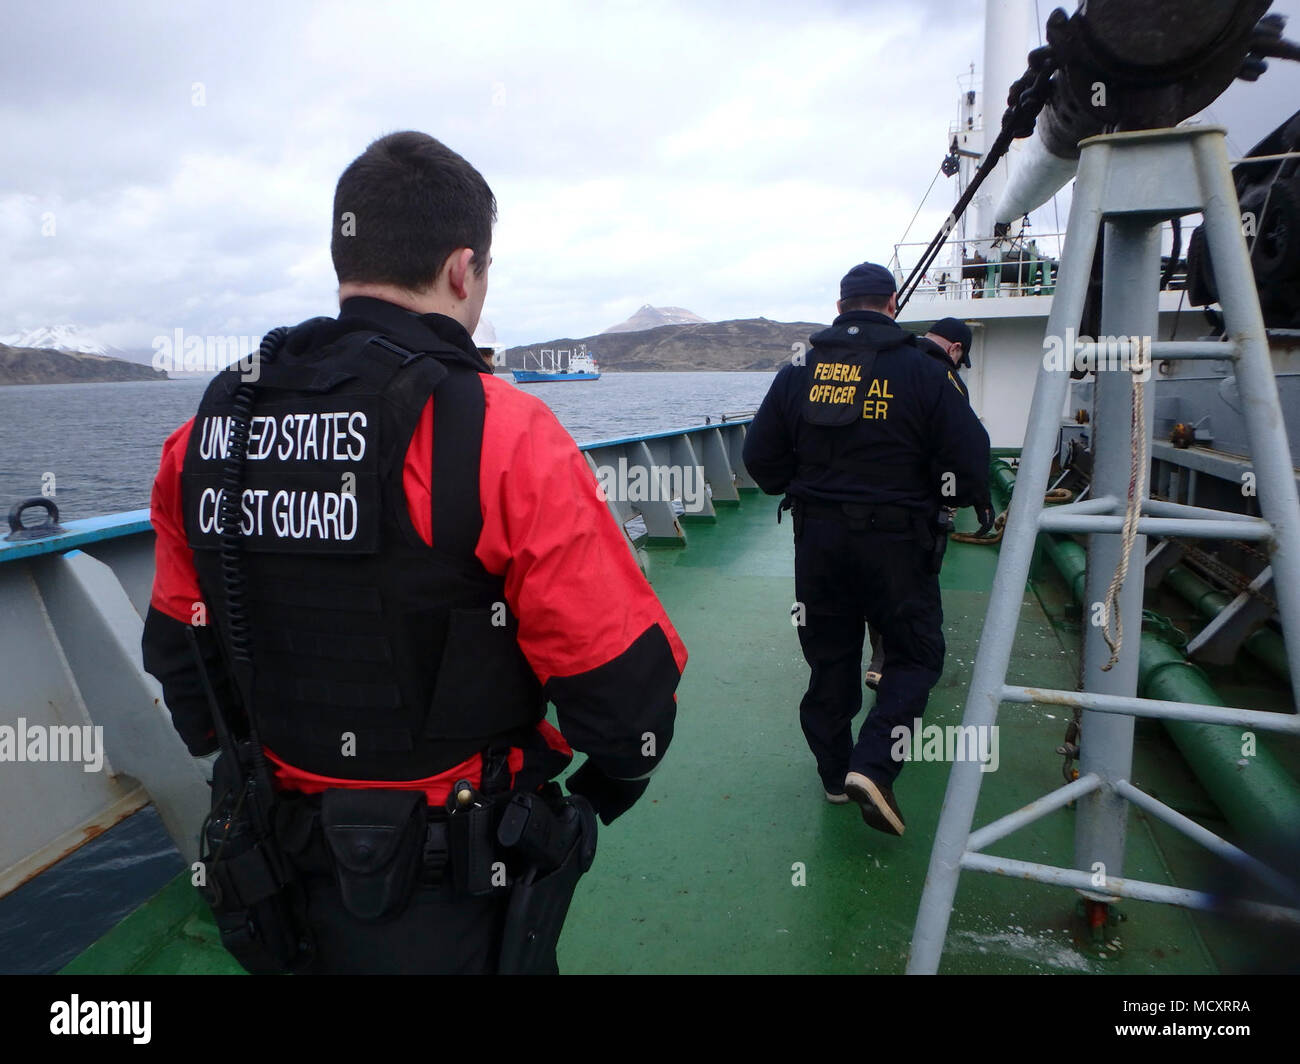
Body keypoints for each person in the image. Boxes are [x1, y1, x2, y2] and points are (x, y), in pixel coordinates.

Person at [141, 131, 686, 974]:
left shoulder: (204, 437)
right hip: (453, 888)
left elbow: (184, 665)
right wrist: (593, 800)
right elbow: (626, 700)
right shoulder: (503, 435)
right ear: (464, 269)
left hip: (275, 871)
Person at [742, 262, 990, 836]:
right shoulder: (926, 370)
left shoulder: (798, 369)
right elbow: (970, 465)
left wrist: (803, 487)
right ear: (892, 304)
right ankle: (873, 765)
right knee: (914, 656)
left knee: (829, 658)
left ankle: (834, 776)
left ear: (840, 305)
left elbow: (761, 459)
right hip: (899, 543)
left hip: (818, 542)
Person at [863, 316, 975, 689]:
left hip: (867, 503)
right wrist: (956, 497)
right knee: (909, 593)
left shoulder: (892, 366)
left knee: (874, 586)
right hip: (915, 511)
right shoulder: (945, 379)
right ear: (956, 349)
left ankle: (878, 659)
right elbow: (958, 449)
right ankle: (899, 670)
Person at [916, 316, 973, 398]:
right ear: (955, 348)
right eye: (958, 361)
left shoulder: (899, 354)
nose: (955, 366)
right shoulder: (948, 381)